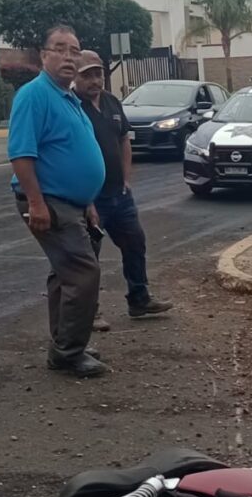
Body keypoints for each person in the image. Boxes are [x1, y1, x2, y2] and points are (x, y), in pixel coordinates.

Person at [9, 25, 109, 378]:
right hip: (48, 201)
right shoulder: (34, 95)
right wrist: (36, 204)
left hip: (73, 203)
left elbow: (73, 154)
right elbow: (21, 154)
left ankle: (67, 343)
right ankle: (67, 354)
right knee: (83, 273)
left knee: (64, 275)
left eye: (75, 50)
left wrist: (88, 201)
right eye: (61, 49)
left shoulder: (68, 97)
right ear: (44, 55)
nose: (69, 56)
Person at [73, 51, 172, 321]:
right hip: (91, 198)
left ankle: (139, 299)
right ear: (75, 77)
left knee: (135, 243)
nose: (95, 81)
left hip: (120, 194)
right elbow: (71, 155)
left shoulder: (112, 102)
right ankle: (87, 314)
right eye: (87, 75)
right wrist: (86, 198)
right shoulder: (71, 106)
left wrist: (126, 179)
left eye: (98, 74)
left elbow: (124, 141)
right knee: (87, 257)